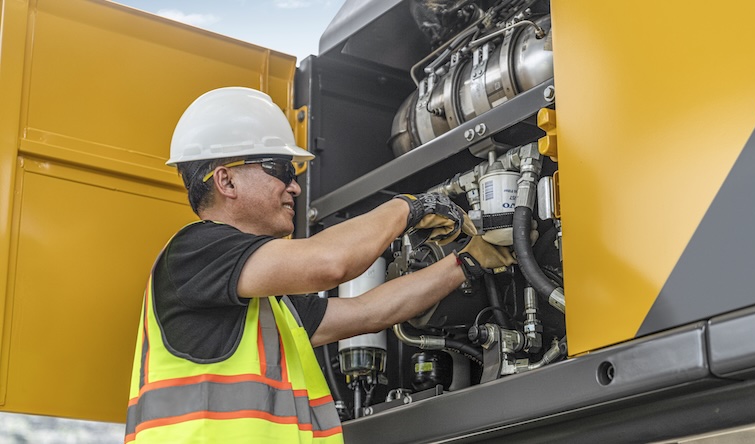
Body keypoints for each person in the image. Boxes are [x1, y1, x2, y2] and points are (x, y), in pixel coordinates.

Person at [124, 86, 514, 444]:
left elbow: (369, 312)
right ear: (226, 181)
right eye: (280, 170)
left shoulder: (269, 305)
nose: (294, 186)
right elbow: (331, 263)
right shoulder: (194, 252)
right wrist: (411, 207)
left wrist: (466, 262)